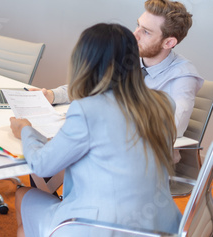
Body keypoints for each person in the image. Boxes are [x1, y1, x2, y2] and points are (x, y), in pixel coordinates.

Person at [11, 23, 181, 237]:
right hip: (161, 227)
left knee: (22, 197)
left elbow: (42, 165)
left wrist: (26, 129)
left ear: (84, 62)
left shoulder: (86, 109)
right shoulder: (164, 103)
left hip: (103, 228)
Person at [42, 0, 203, 138]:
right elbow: (91, 86)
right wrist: (52, 95)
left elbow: (176, 127)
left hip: (149, 161)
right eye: (138, 25)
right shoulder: (129, 56)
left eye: (146, 32)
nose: (134, 35)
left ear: (169, 42)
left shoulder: (183, 76)